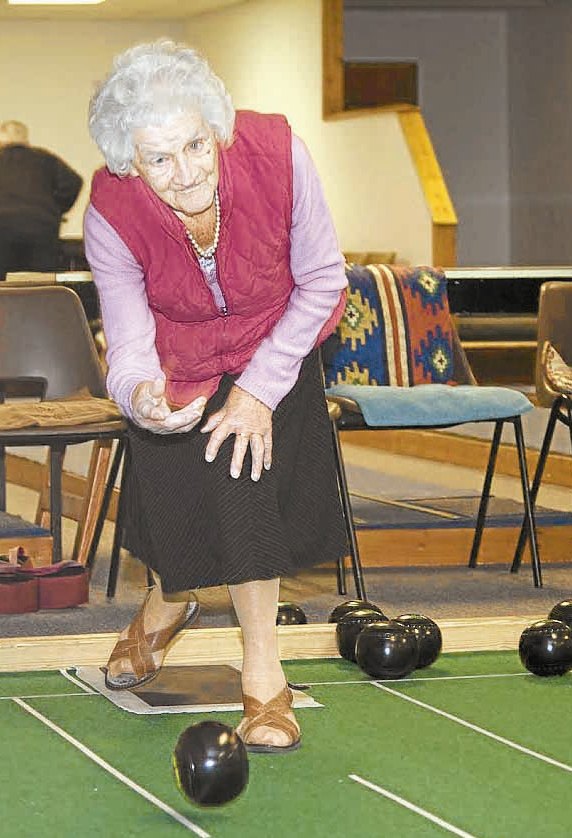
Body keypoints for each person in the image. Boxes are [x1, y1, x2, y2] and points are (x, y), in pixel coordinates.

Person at [84, 39, 348, 754]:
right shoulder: (110, 211)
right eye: (158, 159)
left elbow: (324, 280)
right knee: (176, 504)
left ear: (216, 126)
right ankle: (168, 601)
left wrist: (259, 389)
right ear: (127, 161)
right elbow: (129, 337)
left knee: (243, 479)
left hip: (280, 339)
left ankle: (265, 675)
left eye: (196, 145)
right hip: (182, 353)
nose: (185, 172)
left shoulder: (278, 154)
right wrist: (140, 395)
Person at [0, 120, 83, 280]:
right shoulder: (46, 159)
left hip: (2, 229)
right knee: (41, 286)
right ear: (25, 139)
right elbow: (74, 182)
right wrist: (56, 210)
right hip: (42, 230)